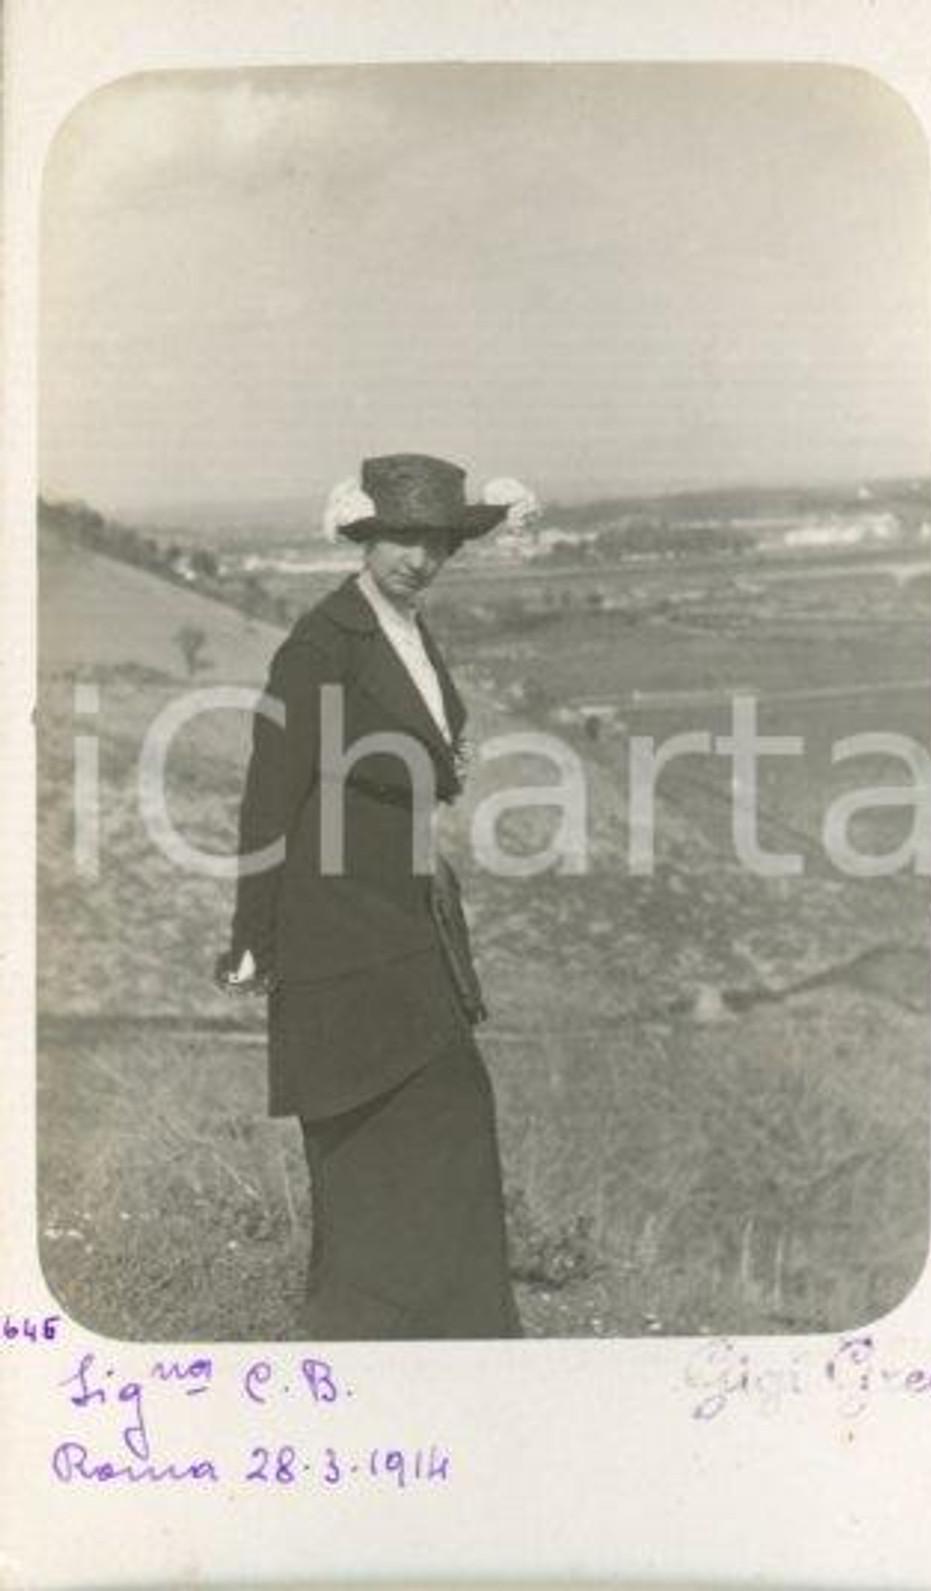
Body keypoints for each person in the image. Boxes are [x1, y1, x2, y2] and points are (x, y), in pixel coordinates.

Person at [215, 453, 531, 1340]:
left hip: (402, 910)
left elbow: (421, 736)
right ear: (364, 536)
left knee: (446, 1117)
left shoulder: (406, 630)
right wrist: (252, 934)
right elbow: (268, 793)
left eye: (435, 543)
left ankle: (445, 1330)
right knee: (370, 1130)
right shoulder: (324, 642)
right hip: (337, 919)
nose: (417, 558)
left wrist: (445, 757)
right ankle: (375, 1331)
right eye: (401, 537)